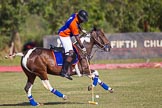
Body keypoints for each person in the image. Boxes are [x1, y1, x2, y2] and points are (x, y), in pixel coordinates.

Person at [58, 10, 88, 80]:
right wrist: (82, 47)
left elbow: (78, 24)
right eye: (82, 20)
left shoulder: (75, 15)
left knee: (73, 52)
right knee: (70, 53)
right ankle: (63, 72)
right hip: (64, 35)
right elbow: (77, 38)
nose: (83, 21)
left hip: (67, 35)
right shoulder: (73, 24)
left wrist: (81, 29)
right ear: (80, 17)